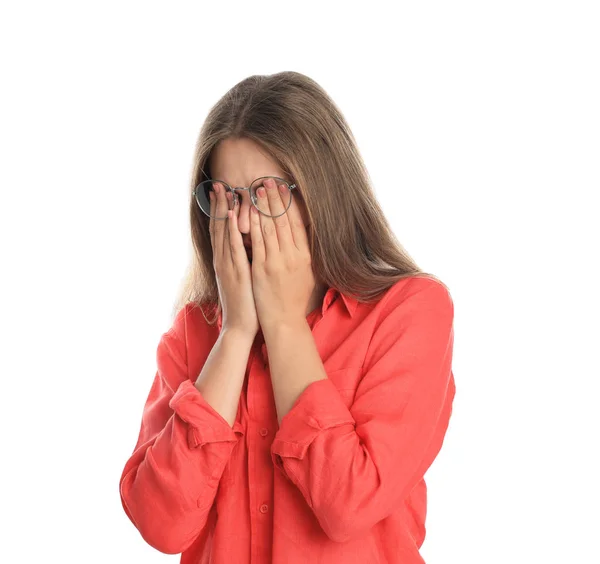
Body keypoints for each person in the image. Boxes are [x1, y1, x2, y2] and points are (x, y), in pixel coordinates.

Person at [119, 71, 456, 564]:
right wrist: (235, 334)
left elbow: (349, 505)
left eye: (267, 194)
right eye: (226, 198)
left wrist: (283, 327)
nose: (245, 223)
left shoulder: (410, 313)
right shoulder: (195, 332)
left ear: (323, 192)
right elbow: (161, 523)